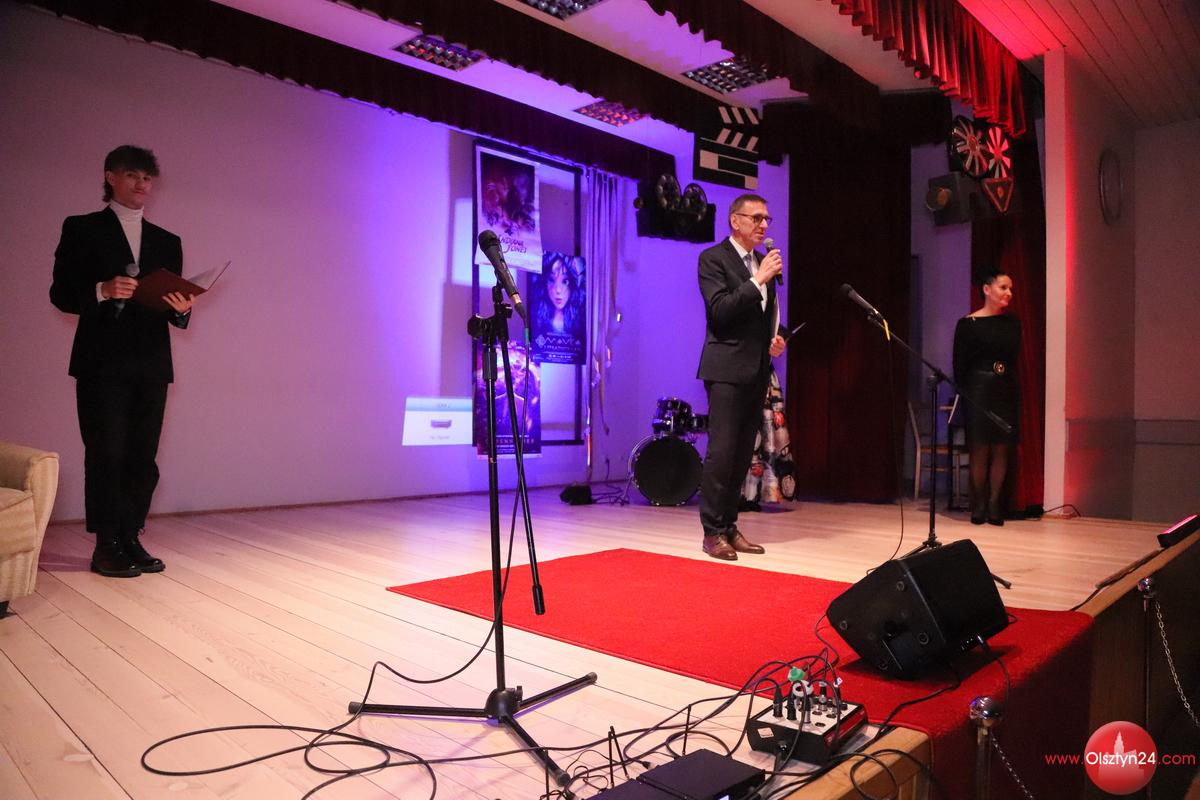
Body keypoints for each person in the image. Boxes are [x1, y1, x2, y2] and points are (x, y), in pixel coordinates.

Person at [50, 145, 196, 577]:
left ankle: (131, 536)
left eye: (148, 178)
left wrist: (182, 309)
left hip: (151, 362)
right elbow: (61, 294)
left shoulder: (167, 241)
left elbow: (170, 306)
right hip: (101, 362)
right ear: (110, 176)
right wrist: (102, 289)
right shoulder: (81, 228)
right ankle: (106, 544)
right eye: (132, 175)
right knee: (106, 453)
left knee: (142, 456)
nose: (141, 185)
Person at [695, 194, 787, 560]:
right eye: (757, 218)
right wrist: (758, 279)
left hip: (756, 369)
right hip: (725, 369)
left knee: (741, 455)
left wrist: (776, 340)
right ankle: (712, 532)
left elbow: (764, 317)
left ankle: (729, 526)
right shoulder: (713, 259)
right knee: (722, 453)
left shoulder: (763, 261)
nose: (764, 225)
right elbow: (719, 312)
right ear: (736, 221)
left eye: (767, 219)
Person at [952, 268, 1020, 526]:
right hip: (978, 389)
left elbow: (1013, 357)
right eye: (1003, 287)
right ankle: (979, 503)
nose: (1009, 293)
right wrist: (967, 392)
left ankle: (994, 504)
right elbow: (959, 365)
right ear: (987, 289)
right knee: (980, 447)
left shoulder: (1012, 323)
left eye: (1010, 288)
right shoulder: (968, 324)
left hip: (1005, 388)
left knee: (1002, 447)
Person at [535, 255, 582, 336]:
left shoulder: (580, 322)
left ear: (573, 284)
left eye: (565, 281)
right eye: (551, 280)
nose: (558, 290)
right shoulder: (537, 320)